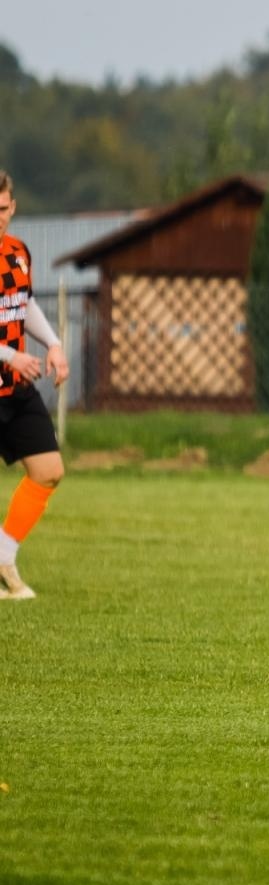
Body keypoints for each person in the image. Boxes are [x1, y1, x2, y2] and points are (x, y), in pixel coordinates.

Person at [0, 170, 68, 601]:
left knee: (48, 471)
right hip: (13, 368)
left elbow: (23, 306)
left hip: (13, 388)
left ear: (13, 206)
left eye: (3, 209)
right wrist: (12, 356)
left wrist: (55, 345)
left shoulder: (17, 252)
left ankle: (3, 558)